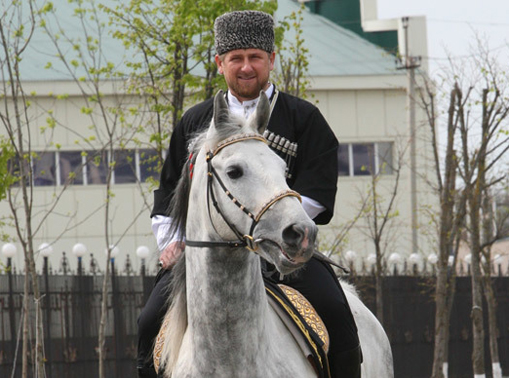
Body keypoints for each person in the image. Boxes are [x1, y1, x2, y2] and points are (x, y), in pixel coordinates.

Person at [137, 10, 362, 378]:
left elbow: (318, 191)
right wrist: (171, 242)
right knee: (148, 323)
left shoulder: (304, 118)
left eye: (255, 57)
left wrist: (268, 227)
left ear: (271, 60)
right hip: (206, 258)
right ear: (219, 63)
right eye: (235, 58)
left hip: (284, 254)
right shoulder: (194, 122)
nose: (246, 67)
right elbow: (167, 195)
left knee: (338, 314)